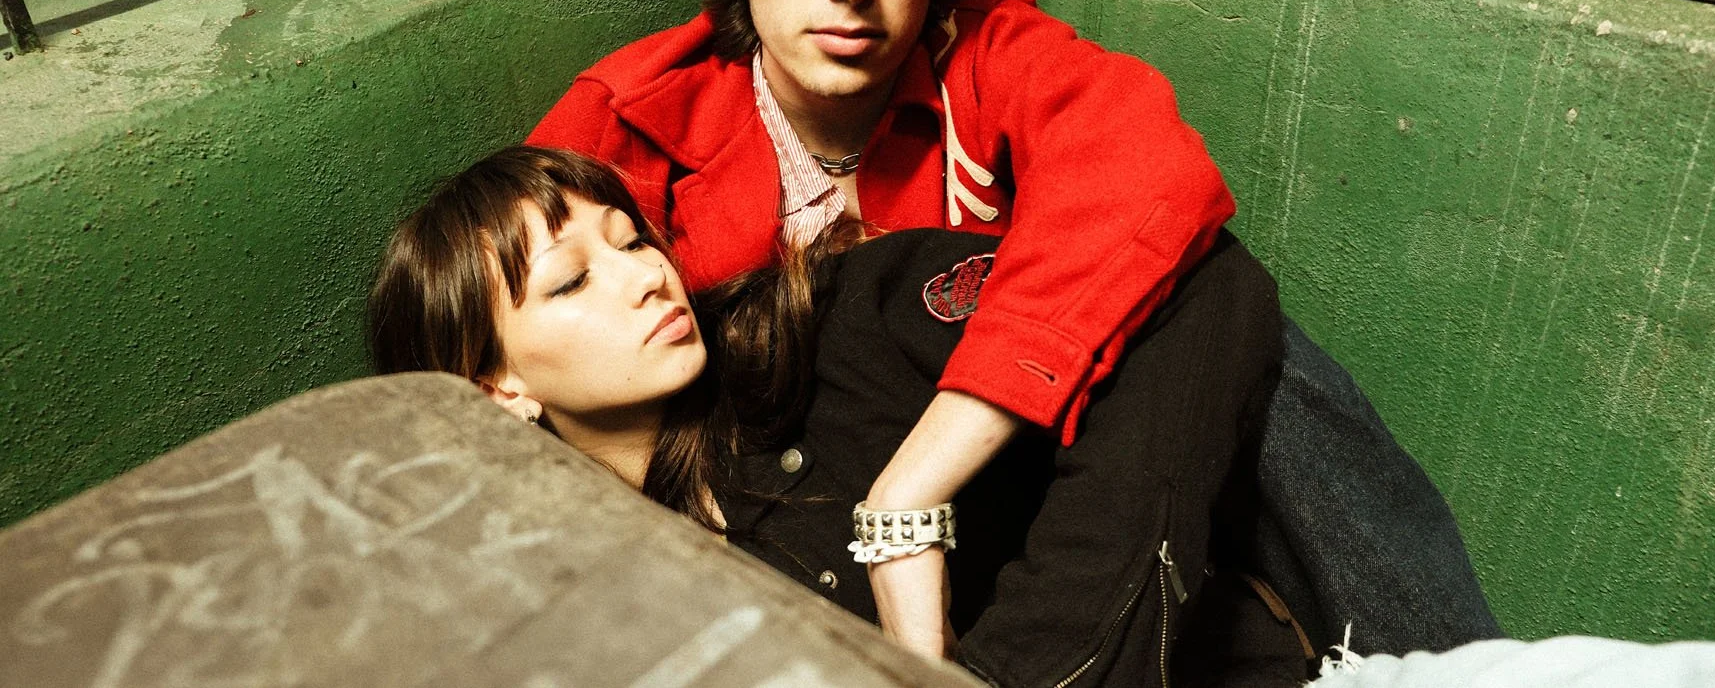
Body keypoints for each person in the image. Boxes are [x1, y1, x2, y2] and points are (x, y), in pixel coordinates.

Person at [527, 0, 1235, 656]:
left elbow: (1152, 176)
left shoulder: (985, 55)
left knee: (1210, 290)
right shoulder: (633, 124)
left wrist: (910, 493)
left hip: (988, 531)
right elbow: (484, 353)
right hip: (761, 563)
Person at [366, 146, 1308, 687]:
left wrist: (922, 508)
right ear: (497, 388)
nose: (647, 275)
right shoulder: (569, 604)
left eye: (631, 239)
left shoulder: (831, 324)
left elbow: (1197, 285)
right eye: (574, 280)